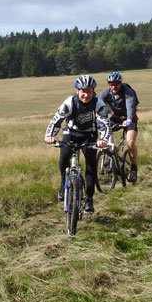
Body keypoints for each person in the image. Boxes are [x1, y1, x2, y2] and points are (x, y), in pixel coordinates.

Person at [44, 75, 110, 213]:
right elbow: (57, 119)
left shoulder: (99, 104)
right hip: (71, 133)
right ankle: (63, 184)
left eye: (89, 91)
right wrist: (49, 136)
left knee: (91, 166)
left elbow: (104, 124)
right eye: (83, 91)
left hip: (89, 135)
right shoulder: (70, 102)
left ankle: (89, 200)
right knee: (64, 157)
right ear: (77, 90)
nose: (86, 95)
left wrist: (103, 139)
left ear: (93, 91)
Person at [98, 71, 139, 182]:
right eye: (111, 84)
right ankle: (107, 157)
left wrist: (129, 119)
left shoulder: (127, 91)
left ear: (120, 83)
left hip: (130, 119)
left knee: (130, 142)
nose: (113, 86)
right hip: (116, 117)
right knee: (104, 132)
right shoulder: (106, 93)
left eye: (116, 84)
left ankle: (134, 168)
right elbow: (98, 105)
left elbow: (130, 105)